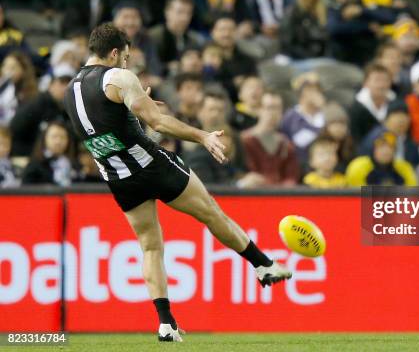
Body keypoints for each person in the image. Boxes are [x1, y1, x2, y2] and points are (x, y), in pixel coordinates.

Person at [63, 23, 291, 341]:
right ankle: (262, 265)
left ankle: (166, 323)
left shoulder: (69, 91)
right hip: (153, 167)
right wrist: (203, 136)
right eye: (125, 58)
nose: (127, 64)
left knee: (150, 248)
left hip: (119, 178)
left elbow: (106, 127)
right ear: (114, 53)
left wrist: (136, 109)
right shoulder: (119, 77)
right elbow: (157, 123)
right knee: (211, 213)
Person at [9, 64, 73, 156]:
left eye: (68, 84)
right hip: (25, 155)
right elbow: (15, 127)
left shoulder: (64, 107)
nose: (64, 88)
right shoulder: (38, 103)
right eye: (61, 83)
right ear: (51, 84)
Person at [240, 90, 301, 187]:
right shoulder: (243, 141)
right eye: (269, 108)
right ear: (259, 109)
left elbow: (292, 177)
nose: (273, 113)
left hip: (280, 198)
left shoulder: (286, 145)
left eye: (277, 108)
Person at [148, 0, 205, 70]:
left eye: (188, 13)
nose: (185, 18)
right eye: (180, 12)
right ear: (167, 12)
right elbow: (150, 65)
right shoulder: (153, 36)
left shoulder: (195, 40)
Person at [280, 72, 326, 164]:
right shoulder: (290, 116)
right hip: (299, 163)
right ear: (300, 93)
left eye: (317, 90)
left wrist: (324, 107)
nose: (314, 94)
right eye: (309, 90)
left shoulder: (326, 113)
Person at [359, 99, 419, 166]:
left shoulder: (411, 143)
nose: (401, 120)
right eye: (397, 115)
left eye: (405, 115)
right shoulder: (376, 138)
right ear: (386, 119)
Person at [209, 17, 257, 101]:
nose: (226, 34)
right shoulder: (203, 58)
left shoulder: (248, 60)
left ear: (237, 33)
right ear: (213, 32)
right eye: (222, 29)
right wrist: (233, 84)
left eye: (231, 30)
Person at [346, 131, 418, 186]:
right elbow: (356, 197)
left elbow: (412, 195)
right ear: (372, 149)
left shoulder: (403, 168)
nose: (386, 151)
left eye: (390, 146)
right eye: (381, 146)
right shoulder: (359, 167)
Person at [112, 1, 163, 76]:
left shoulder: (146, 40)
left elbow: (156, 71)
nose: (130, 23)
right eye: (125, 17)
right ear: (115, 20)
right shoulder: (105, 40)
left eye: (135, 17)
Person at [349, 63, 395, 144]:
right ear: (365, 83)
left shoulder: (396, 105)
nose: (381, 85)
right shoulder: (355, 109)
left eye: (385, 80)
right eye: (377, 80)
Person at [21, 121, 76, 186]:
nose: (58, 141)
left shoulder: (73, 164)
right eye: (54, 136)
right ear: (45, 139)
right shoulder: (35, 165)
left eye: (62, 137)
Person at [0, 51, 38, 126]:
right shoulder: (2, 87)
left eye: (13, 68)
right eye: (5, 66)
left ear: (23, 70)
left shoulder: (30, 93)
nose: (8, 71)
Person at [320, 102, 354, 171]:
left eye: (342, 123)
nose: (339, 128)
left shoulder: (349, 144)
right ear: (326, 126)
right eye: (334, 123)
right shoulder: (319, 144)